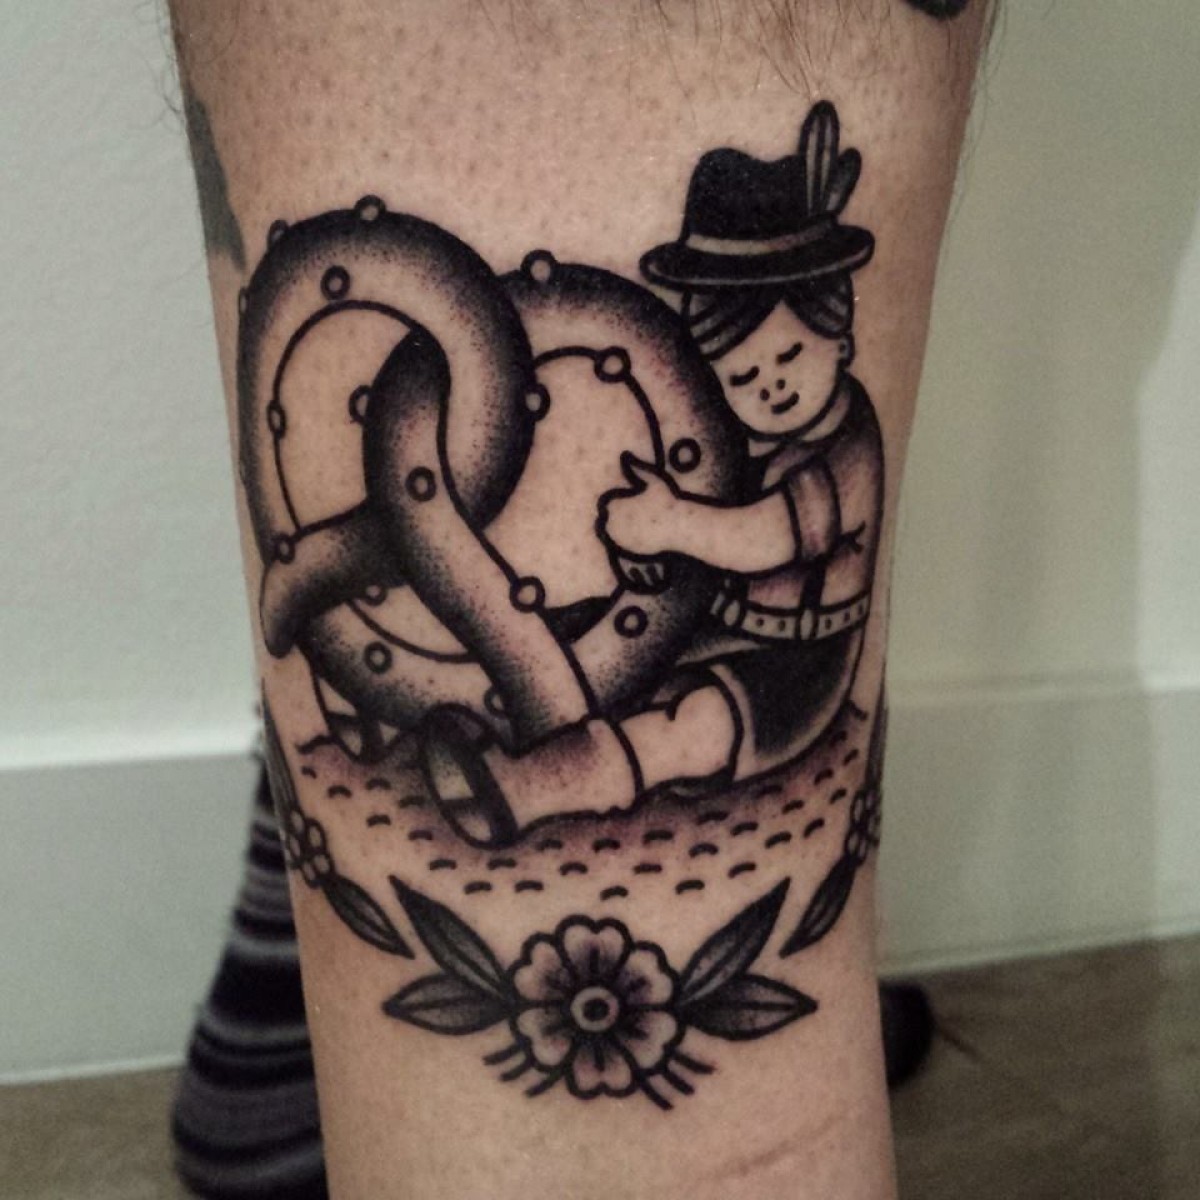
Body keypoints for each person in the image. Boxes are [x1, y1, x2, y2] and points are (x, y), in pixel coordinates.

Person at [167, 2, 992, 1197]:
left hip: (785, 674)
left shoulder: (836, 445)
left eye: (793, 356)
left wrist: (678, 528)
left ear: (839, 329)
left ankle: (522, 800)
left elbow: (770, 534)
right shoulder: (728, 427)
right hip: (717, 636)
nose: (770, 384)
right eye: (744, 363)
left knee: (683, 728)